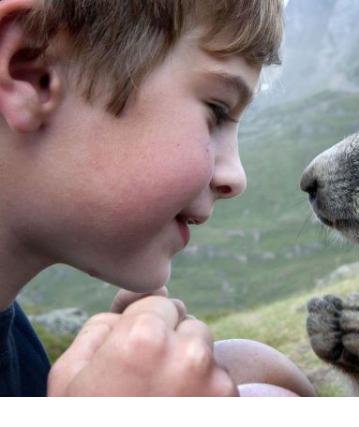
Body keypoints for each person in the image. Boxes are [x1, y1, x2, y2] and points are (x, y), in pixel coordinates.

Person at [0, 0, 315, 397]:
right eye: (217, 111)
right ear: (33, 72)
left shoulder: (21, 352)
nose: (236, 177)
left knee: (253, 365)